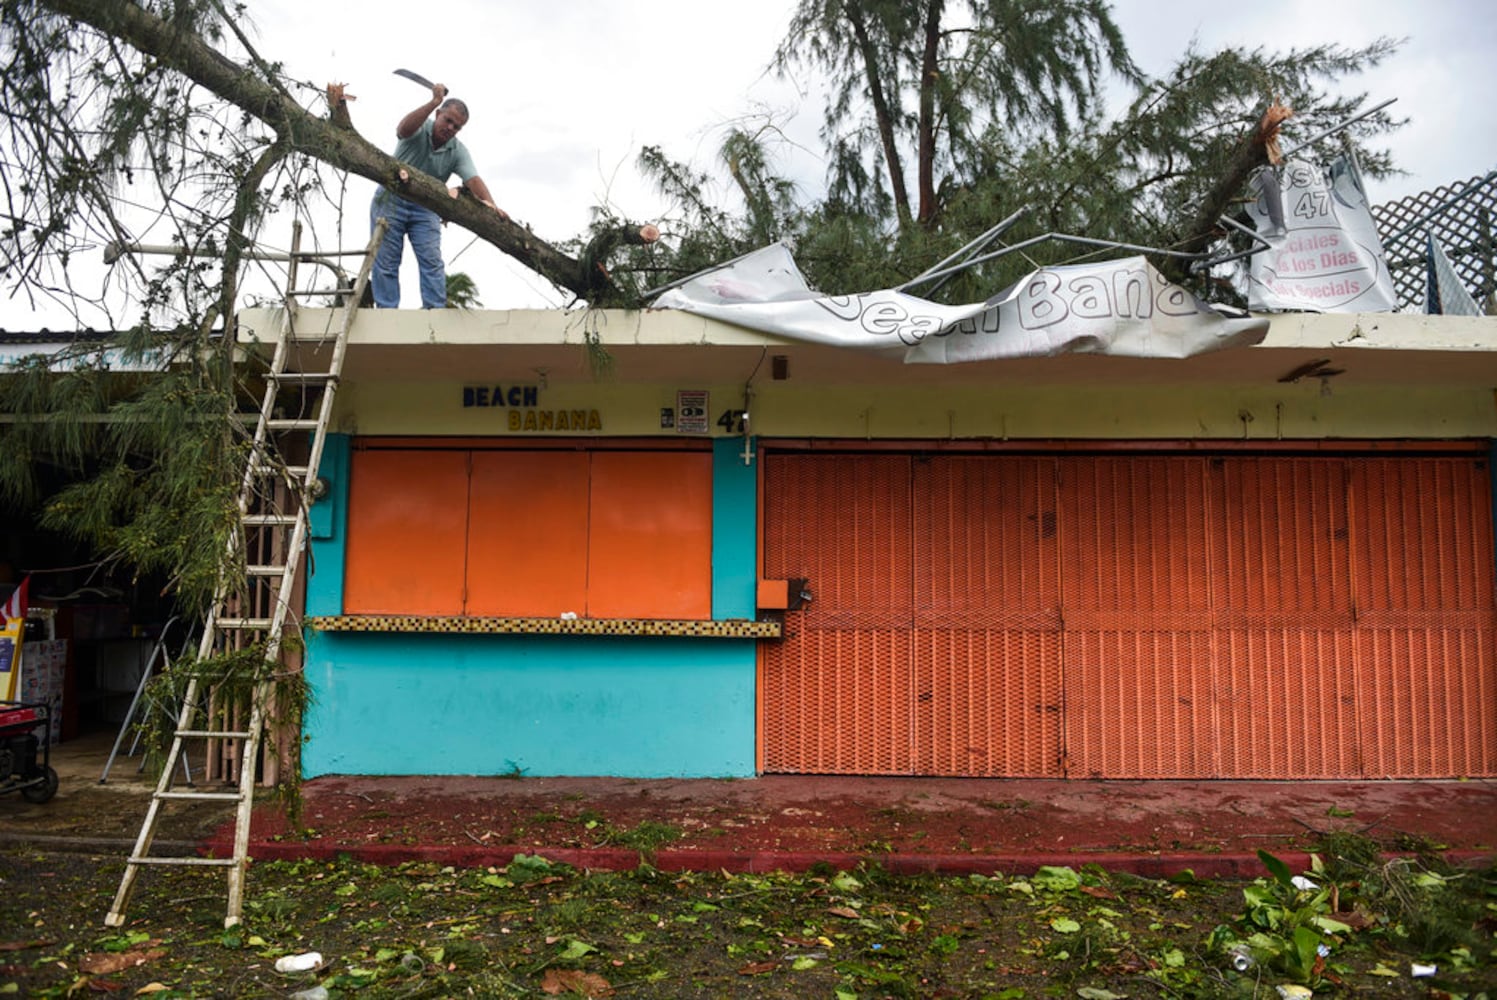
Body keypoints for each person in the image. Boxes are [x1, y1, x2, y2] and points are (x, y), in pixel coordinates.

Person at [370, 83, 507, 308]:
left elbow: (473, 180)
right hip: (391, 199)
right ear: (438, 115)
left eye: (457, 126)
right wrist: (433, 101)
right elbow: (402, 129)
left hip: (425, 207)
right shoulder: (419, 127)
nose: (451, 128)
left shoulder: (458, 151)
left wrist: (492, 206)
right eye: (448, 121)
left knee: (432, 261)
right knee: (386, 261)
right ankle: (387, 310)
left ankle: (434, 310)